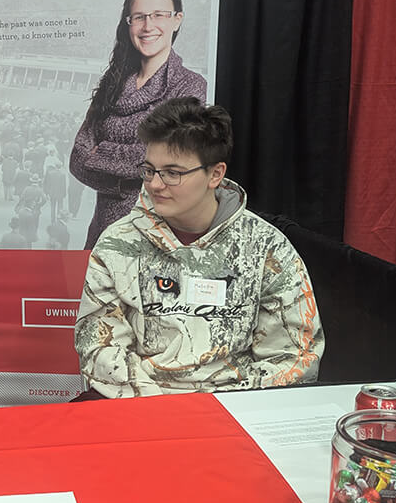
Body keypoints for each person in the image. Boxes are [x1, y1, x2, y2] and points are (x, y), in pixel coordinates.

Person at [73, 97, 323, 400]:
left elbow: (294, 356)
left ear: (215, 174)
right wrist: (158, 406)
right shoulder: (118, 243)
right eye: (149, 170)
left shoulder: (266, 247)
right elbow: (97, 345)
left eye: (173, 172)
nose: (154, 184)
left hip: (235, 407)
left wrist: (222, 410)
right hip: (139, 405)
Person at [69, 0, 209, 250]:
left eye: (159, 15)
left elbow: (168, 162)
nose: (148, 26)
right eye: (139, 16)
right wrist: (128, 181)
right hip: (103, 233)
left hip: (156, 236)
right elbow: (78, 159)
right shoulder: (112, 82)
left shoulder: (190, 85)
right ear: (128, 23)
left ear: (176, 20)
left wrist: (103, 153)